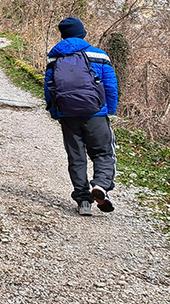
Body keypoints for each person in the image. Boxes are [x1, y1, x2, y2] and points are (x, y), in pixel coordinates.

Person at [44, 17, 119, 216]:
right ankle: (101, 186)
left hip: (67, 114)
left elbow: (49, 87)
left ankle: (83, 200)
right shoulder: (98, 55)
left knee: (76, 157)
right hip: (95, 113)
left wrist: (56, 112)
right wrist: (109, 109)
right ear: (82, 33)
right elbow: (110, 85)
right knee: (103, 153)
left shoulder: (54, 57)